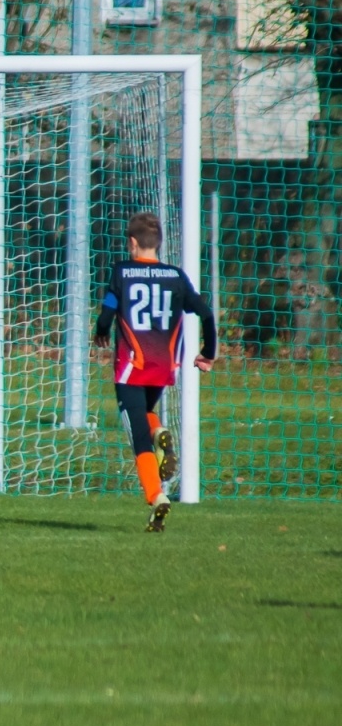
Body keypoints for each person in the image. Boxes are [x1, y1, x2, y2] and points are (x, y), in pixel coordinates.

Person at [92, 211, 216, 533]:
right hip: (162, 368)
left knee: (138, 437)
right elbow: (206, 314)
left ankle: (156, 495)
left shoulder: (122, 271)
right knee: (145, 413)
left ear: (132, 243)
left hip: (132, 367)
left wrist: (100, 331)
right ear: (157, 243)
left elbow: (107, 312)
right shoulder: (175, 276)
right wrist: (208, 353)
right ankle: (159, 431)